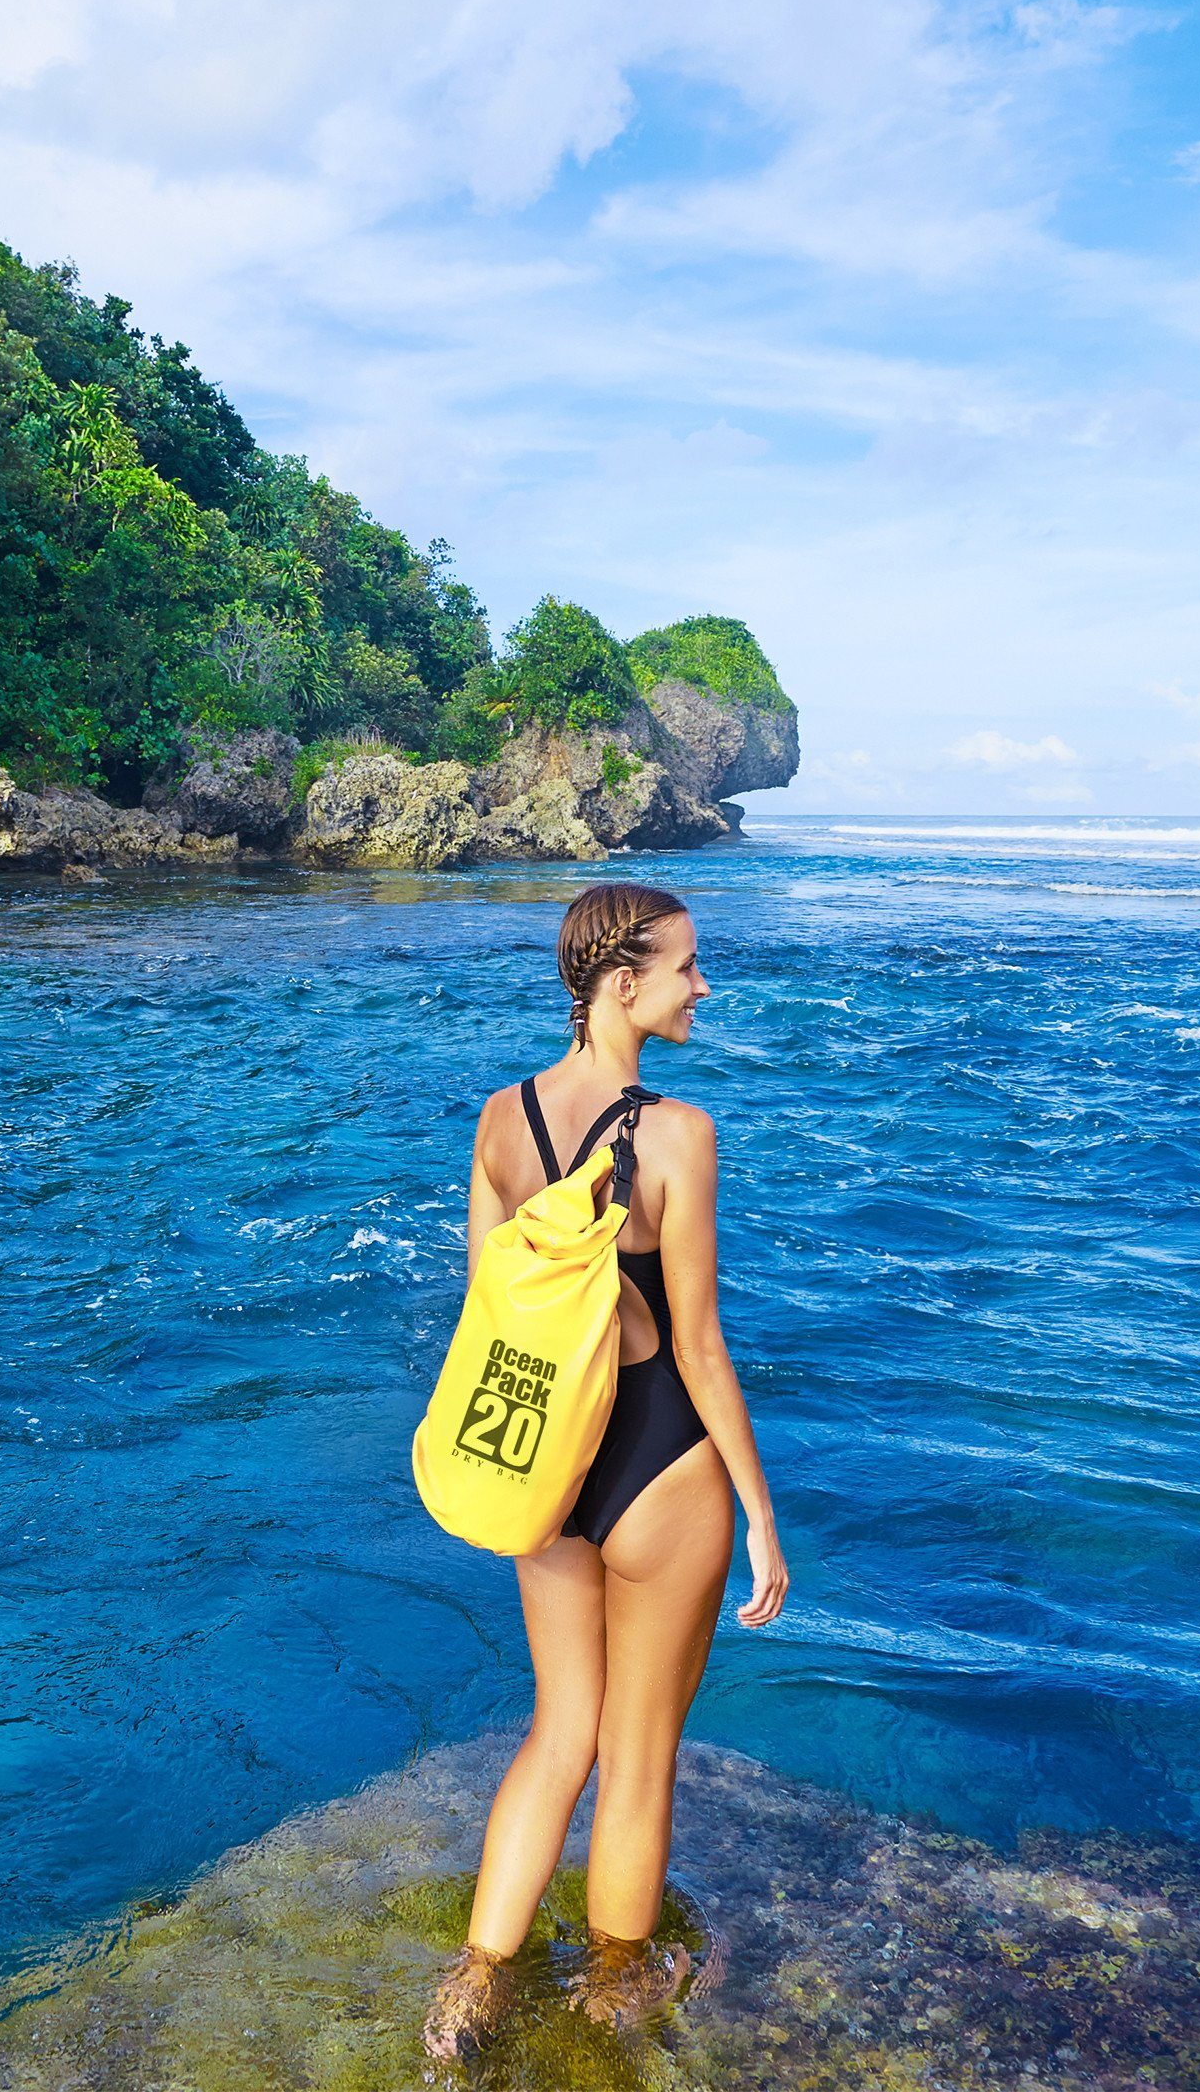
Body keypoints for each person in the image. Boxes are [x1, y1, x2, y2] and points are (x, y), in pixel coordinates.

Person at [423, 880, 789, 2062]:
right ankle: (612, 2001)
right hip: (657, 1462)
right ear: (621, 983)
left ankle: (474, 1985)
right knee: (637, 1756)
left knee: (557, 1729)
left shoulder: (498, 1121)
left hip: (546, 1464)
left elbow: (490, 1314)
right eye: (687, 966)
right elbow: (697, 1345)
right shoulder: (678, 1135)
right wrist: (763, 1516)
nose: (702, 986)